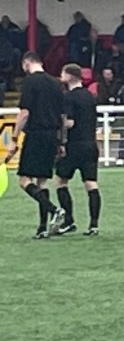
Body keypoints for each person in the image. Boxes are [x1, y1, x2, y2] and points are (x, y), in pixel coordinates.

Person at [4, 51, 66, 238]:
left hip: (36, 134)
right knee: (42, 182)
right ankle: (42, 228)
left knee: (24, 180)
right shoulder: (55, 83)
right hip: (52, 135)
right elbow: (62, 116)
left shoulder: (30, 82)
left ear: (26, 63)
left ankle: (54, 210)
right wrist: (61, 141)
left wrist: (14, 139)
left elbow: (25, 113)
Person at [53, 64, 101, 236]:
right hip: (91, 144)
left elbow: (70, 123)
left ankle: (69, 220)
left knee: (60, 181)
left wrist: (57, 123)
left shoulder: (69, 97)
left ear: (69, 76)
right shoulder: (90, 96)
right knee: (91, 184)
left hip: (74, 145)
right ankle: (93, 224)